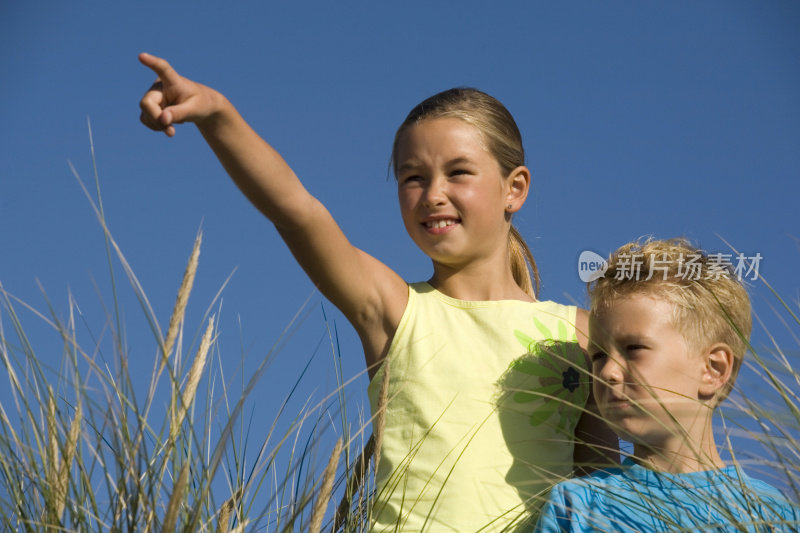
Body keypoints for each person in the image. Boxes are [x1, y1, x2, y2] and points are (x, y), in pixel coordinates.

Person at [138, 53, 616, 531]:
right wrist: (218, 115)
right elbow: (298, 213)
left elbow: (601, 491)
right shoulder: (394, 309)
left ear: (515, 188)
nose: (432, 193)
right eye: (413, 177)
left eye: (458, 172)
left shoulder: (580, 333)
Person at [535, 238, 799, 532]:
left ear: (714, 369)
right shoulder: (580, 505)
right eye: (598, 355)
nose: (608, 372)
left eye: (633, 348)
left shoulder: (773, 513)